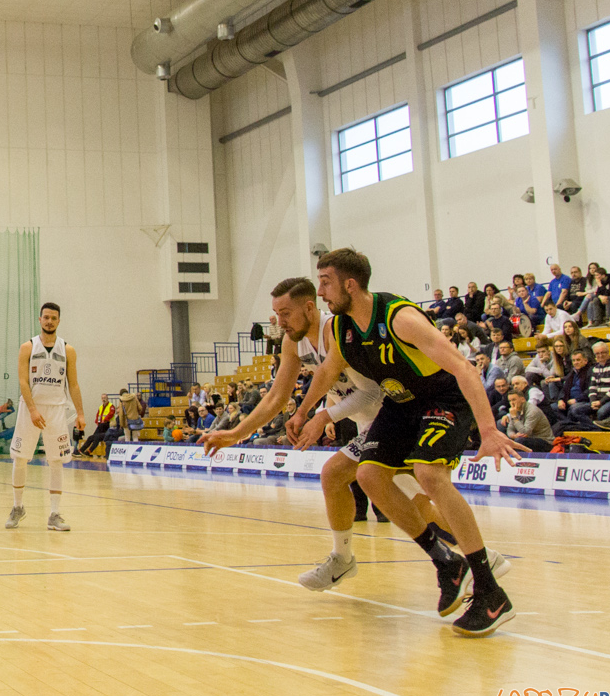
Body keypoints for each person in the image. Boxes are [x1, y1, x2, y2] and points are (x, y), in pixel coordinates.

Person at [204, 277, 493, 592]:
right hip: (367, 423)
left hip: (390, 415)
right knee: (410, 500)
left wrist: (323, 414)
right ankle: (480, 560)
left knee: (351, 478)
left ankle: (473, 563)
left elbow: (371, 392)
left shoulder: (339, 330)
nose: (280, 321)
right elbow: (275, 397)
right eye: (276, 313)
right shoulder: (293, 341)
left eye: (285, 313)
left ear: (310, 308)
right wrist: (236, 432)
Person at [294, 248, 524, 637]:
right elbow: (328, 371)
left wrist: (487, 429)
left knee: (430, 475)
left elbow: (464, 367)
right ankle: (446, 563)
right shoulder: (340, 328)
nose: (321, 293)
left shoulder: (401, 319)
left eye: (326, 282)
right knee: (368, 475)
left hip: (443, 399)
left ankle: (490, 591)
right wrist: (304, 412)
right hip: (401, 404)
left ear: (351, 284)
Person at [6, 302, 85, 531]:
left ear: (59, 321)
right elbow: (23, 381)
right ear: (40, 320)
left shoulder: (67, 350)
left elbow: (74, 384)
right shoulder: (27, 347)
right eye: (46, 317)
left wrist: (80, 412)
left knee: (56, 460)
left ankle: (54, 513)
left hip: (57, 409)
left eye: (54, 318)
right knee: (20, 458)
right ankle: (17, 507)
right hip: (30, 408)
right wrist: (32, 409)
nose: (49, 321)